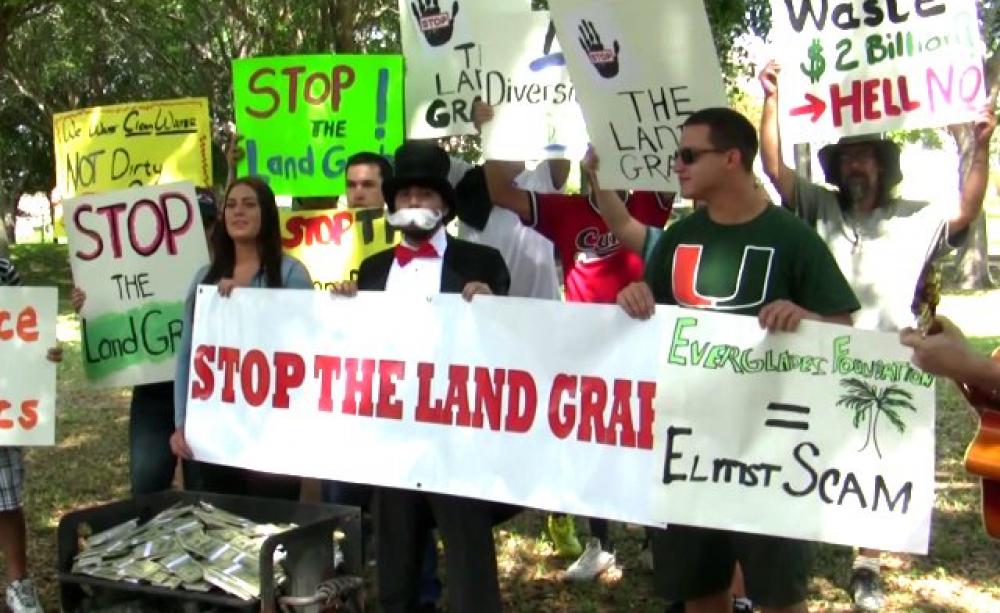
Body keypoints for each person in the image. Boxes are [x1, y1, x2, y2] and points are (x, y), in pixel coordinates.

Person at [758, 59, 997, 610]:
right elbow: (775, 169)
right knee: (807, 447)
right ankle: (798, 539)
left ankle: (866, 565)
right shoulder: (818, 206)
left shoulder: (915, 216)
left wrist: (979, 145)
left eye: (864, 155)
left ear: (884, 164)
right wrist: (771, 98)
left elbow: (966, 207)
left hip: (890, 359)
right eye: (845, 157)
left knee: (878, 460)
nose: (854, 164)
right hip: (821, 350)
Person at [618, 107, 859, 613]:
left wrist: (807, 316)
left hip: (772, 450)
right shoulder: (679, 239)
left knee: (777, 595)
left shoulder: (793, 238)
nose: (676, 166)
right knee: (700, 590)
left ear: (732, 158)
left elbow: (844, 333)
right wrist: (635, 299)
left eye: (688, 155)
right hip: (686, 448)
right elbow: (653, 323)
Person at [483, 122, 674, 580]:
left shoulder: (650, 199)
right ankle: (600, 541)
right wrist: (493, 130)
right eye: (598, 153)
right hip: (587, 346)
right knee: (592, 439)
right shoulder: (564, 210)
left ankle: (656, 539)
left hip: (644, 336)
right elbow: (499, 191)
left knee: (649, 435)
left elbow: (678, 152)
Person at [329, 141, 509, 613]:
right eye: (405, 195)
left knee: (471, 572)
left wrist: (492, 307)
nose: (413, 205)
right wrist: (344, 309)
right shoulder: (372, 269)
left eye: (425, 196)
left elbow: (512, 346)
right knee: (395, 570)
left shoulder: (483, 263)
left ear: (445, 205)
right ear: (391, 206)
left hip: (459, 437)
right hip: (392, 439)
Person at [170, 177, 312, 499]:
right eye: (231, 205)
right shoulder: (203, 277)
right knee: (222, 521)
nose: (238, 212)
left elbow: (304, 344)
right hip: (215, 430)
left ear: (267, 215)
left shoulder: (291, 274)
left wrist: (247, 305)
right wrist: (182, 423)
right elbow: (187, 356)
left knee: (270, 522)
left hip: (275, 429)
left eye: (249, 204)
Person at [70, 188, 217, 495]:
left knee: (207, 491)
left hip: (208, 393)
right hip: (155, 390)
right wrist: (89, 300)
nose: (199, 235)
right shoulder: (144, 264)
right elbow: (113, 283)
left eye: (206, 225)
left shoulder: (228, 271)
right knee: (147, 484)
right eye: (192, 227)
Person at [1, 257, 62, 613]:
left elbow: (27, 331)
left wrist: (46, 353)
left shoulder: (3, 270)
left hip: (4, 403)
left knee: (6, 497)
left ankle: (18, 583)